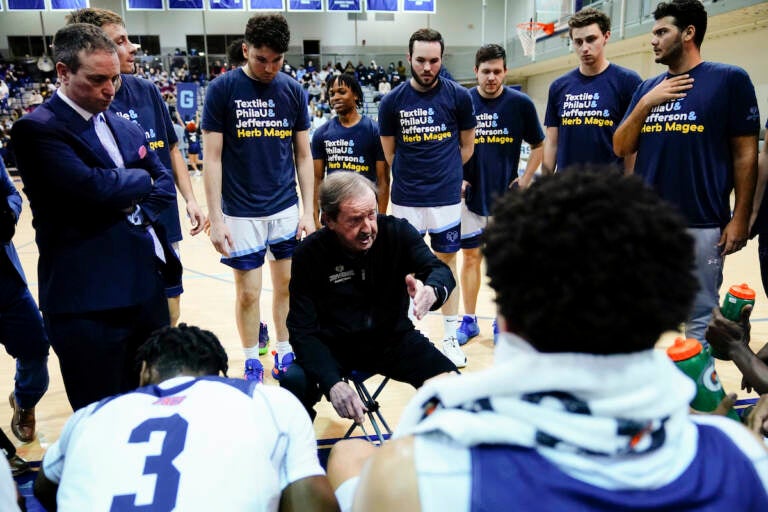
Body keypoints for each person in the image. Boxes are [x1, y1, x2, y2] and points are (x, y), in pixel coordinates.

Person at [327, 171, 768, 511]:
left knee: (348, 456)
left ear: (507, 318)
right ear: (662, 311)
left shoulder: (417, 471)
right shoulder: (744, 457)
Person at [10, 23, 180, 410]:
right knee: (101, 416)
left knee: (155, 409)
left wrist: (132, 205)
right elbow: (91, 188)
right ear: (63, 72)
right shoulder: (36, 130)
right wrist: (138, 179)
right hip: (87, 305)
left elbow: (164, 184)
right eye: (97, 79)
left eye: (115, 79)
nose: (109, 89)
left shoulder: (125, 127)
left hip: (145, 293)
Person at [33, 324, 340, 512]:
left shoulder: (91, 414)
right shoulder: (267, 401)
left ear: (144, 372)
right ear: (221, 375)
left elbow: (43, 489)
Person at [613, 0, 760, 343]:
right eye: (653, 33)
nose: (653, 40)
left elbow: (745, 155)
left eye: (662, 32)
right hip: (649, 224)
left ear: (689, 33)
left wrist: (740, 217)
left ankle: (699, 395)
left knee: (700, 316)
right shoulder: (646, 88)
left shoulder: (729, 80)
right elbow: (620, 146)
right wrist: (648, 103)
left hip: (702, 223)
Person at [66, 8, 207, 327]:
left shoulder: (147, 91)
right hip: (118, 230)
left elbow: (170, 146)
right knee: (126, 316)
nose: (133, 48)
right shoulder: (83, 106)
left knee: (170, 308)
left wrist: (191, 200)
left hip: (163, 219)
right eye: (121, 41)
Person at [280, 172, 458, 422]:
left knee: (452, 390)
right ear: (328, 220)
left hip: (393, 340)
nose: (368, 228)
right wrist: (332, 383)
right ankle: (298, 451)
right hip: (333, 348)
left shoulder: (396, 233)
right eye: (354, 220)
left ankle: (433, 446)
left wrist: (432, 290)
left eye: (371, 215)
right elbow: (301, 330)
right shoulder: (309, 254)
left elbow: (439, 270)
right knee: (293, 383)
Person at [203, 13, 315, 381]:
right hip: (240, 213)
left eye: (276, 60)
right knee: (248, 293)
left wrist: (307, 211)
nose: (268, 68)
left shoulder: (293, 91)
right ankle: (251, 356)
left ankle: (284, 350)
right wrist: (216, 218)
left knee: (287, 287)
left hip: (284, 208)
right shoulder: (222, 91)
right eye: (260, 59)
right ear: (246, 50)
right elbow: (213, 158)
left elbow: (303, 155)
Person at [378, 28, 476, 368]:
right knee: (402, 268)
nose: (427, 67)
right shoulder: (392, 102)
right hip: (406, 198)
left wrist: (444, 173)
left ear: (441, 59)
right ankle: (402, 335)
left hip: (446, 199)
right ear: (409, 59)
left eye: (434, 60)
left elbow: (467, 147)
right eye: (420, 60)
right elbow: (389, 153)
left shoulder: (460, 97)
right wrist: (414, 173)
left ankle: (449, 337)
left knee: (447, 263)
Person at [457, 43, 544, 345]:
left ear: (505, 71)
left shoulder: (520, 104)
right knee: (470, 258)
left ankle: (501, 321)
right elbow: (450, 147)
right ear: (476, 72)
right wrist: (457, 177)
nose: (491, 77)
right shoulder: (463, 101)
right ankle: (469, 321)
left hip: (506, 201)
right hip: (470, 199)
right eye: (485, 71)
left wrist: (527, 177)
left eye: (497, 71)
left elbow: (539, 146)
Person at [542, 7, 642, 175]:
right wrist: (542, 185)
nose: (584, 48)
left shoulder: (628, 81)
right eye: (578, 42)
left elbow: (633, 144)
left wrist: (629, 185)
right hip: (566, 188)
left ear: (606, 37)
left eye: (591, 39)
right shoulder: (558, 87)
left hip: (608, 188)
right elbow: (552, 142)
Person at [0, 158, 50, 443]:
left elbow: (11, 192)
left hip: (6, 282)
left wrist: (8, 211)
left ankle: (24, 401)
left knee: (36, 347)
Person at [311, 73, 388, 227]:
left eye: (342, 91)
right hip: (334, 213)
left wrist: (381, 218)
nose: (335, 97)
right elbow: (317, 180)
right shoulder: (321, 134)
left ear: (356, 96)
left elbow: (383, 180)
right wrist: (315, 217)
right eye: (332, 94)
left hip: (364, 212)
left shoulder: (375, 131)